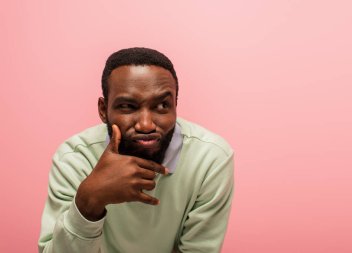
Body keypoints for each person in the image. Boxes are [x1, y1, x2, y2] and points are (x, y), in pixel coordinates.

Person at [38, 47, 234, 253]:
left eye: (161, 106)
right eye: (128, 106)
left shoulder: (211, 159)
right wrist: (88, 202)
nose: (146, 124)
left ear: (175, 105)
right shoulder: (74, 158)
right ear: (104, 110)